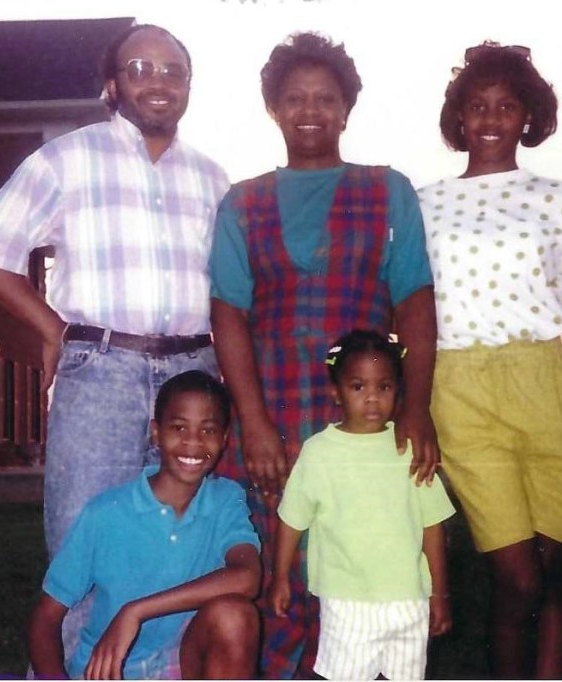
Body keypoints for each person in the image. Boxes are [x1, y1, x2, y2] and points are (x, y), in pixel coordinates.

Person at [0, 23, 229, 665]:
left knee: (184, 547)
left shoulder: (213, 179)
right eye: (141, 68)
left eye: (173, 70)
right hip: (101, 369)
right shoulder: (66, 159)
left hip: (192, 373)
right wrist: (53, 328)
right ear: (113, 84)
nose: (158, 81)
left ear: (189, 85)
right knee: (83, 545)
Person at [208, 31, 439, 678]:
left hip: (363, 412)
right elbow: (228, 314)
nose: (309, 110)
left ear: (346, 109)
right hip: (275, 407)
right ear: (273, 109)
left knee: (361, 557)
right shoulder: (243, 202)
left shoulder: (388, 190)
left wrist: (415, 409)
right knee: (276, 558)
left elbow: (415, 305)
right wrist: (252, 421)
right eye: (294, 98)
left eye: (326, 98)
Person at [417, 42, 562, 679]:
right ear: (458, 116)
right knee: (516, 576)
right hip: (460, 388)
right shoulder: (422, 205)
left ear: (528, 116)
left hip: (544, 382)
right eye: (478, 106)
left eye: (506, 106)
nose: (491, 119)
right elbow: (408, 311)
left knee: (555, 575)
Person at [27, 370, 261, 679]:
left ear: (225, 438)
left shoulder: (225, 499)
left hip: (181, 664)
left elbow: (247, 577)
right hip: (112, 669)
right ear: (156, 433)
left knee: (234, 616)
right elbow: (46, 616)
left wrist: (135, 611)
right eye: (178, 427)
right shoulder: (106, 512)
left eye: (208, 430)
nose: (193, 442)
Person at [268, 330, 455, 680]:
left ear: (397, 390)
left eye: (383, 387)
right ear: (336, 392)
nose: (372, 398)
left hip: (408, 600)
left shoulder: (409, 449)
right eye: (358, 387)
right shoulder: (319, 453)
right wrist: (280, 578)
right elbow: (292, 520)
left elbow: (432, 525)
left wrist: (439, 594)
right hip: (346, 600)